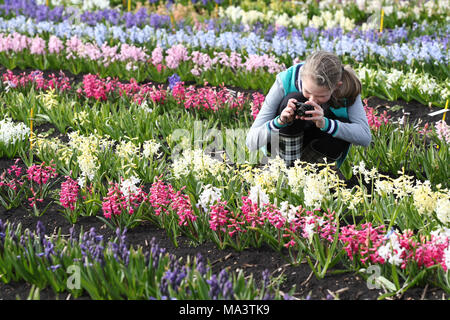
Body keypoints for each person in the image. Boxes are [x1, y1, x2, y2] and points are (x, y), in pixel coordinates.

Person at [246, 50, 372, 168]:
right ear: (301, 77)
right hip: (284, 145)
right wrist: (279, 122)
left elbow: (365, 137)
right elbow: (251, 142)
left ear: (336, 86)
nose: (311, 100)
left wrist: (326, 124)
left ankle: (312, 173)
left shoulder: (346, 87)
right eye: (307, 91)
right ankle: (286, 168)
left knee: (342, 123)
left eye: (321, 96)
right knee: (294, 99)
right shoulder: (286, 80)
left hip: (317, 149)